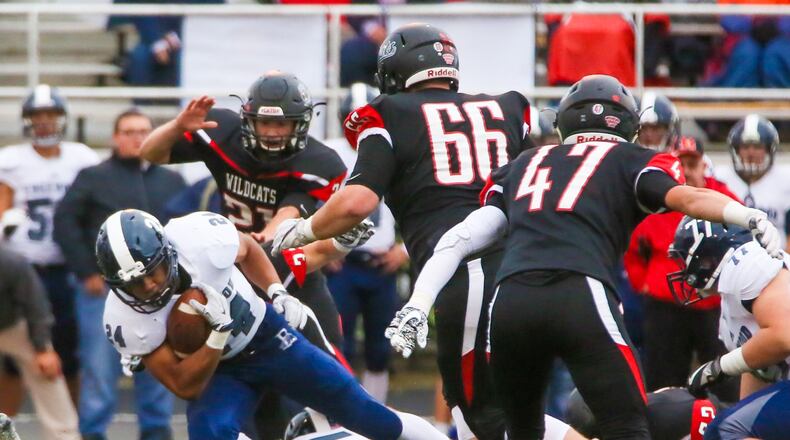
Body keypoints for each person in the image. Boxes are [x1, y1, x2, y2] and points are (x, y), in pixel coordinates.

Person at [380, 74, 780, 439]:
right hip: (579, 292)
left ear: (565, 123)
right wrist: (747, 214)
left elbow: (462, 236)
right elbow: (687, 198)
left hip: (510, 303)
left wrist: (419, 299)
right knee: (627, 424)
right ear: (628, 124)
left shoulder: (524, 163)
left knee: (517, 429)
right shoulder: (631, 159)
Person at [271, 22, 536, 440]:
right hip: (530, 271)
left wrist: (304, 230)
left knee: (483, 417)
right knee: (493, 415)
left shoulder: (387, 112)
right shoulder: (508, 106)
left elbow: (357, 202)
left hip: (469, 275)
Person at [96, 209, 447, 440]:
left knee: (367, 415)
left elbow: (248, 247)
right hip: (217, 372)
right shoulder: (124, 318)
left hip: (268, 338)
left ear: (167, 252)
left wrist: (276, 291)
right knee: (210, 434)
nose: (149, 287)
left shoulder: (195, 237)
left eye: (152, 273)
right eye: (133, 284)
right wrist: (217, 336)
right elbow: (183, 385)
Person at [140, 70, 346, 350]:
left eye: (282, 124)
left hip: (289, 266)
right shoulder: (223, 130)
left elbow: (291, 211)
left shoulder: (320, 163)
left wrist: (264, 237)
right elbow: (150, 153)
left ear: (301, 124)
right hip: (230, 267)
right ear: (248, 119)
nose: (272, 132)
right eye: (264, 122)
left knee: (331, 356)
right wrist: (177, 126)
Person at [52, 109, 185, 440]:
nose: (136, 137)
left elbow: (183, 233)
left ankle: (156, 431)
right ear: (115, 137)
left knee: (158, 362)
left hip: (157, 292)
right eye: (128, 131)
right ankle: (93, 432)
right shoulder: (93, 176)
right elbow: (64, 223)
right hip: (103, 290)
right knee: (99, 366)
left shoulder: (172, 180)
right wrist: (87, 272)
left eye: (143, 131)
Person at [0, 84, 100, 413]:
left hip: (68, 269)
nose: (44, 122)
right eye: (37, 115)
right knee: (13, 360)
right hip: (24, 271)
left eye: (51, 115)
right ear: (27, 121)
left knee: (69, 355)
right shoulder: (10, 161)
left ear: (62, 119)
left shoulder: (81, 157)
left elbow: (93, 210)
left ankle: (70, 428)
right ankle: (6, 428)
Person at [624, 137, 739, 392]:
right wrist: (641, 282)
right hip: (665, 305)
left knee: (726, 379)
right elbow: (632, 248)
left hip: (712, 305)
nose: (686, 170)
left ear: (703, 166)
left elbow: (742, 242)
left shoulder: (722, 197)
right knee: (664, 383)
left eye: (692, 163)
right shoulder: (654, 201)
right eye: (681, 163)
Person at [667, 217, 790, 439]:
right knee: (730, 426)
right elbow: (762, 373)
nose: (685, 270)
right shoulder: (730, 308)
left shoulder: (747, 261)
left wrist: (719, 368)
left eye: (687, 258)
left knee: (724, 430)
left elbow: (783, 336)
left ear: (708, 254)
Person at [324, 82, 408, 403]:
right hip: (341, 264)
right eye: (353, 118)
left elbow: (422, 205)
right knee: (337, 345)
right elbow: (308, 199)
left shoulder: (397, 151)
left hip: (380, 265)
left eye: (367, 118)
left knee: (380, 349)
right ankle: (343, 416)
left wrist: (404, 250)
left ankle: (378, 416)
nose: (361, 127)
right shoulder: (331, 152)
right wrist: (322, 246)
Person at [0, 243, 79, 440]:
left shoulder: (11, 262)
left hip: (11, 325)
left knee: (47, 369)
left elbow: (36, 304)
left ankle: (63, 435)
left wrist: (43, 348)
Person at [715, 114, 790, 250]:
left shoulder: (785, 180)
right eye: (745, 146)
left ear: (769, 149)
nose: (751, 153)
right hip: (730, 258)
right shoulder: (720, 177)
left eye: (757, 146)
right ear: (736, 150)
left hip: (776, 258)